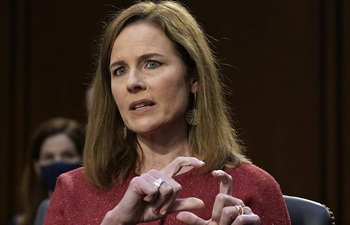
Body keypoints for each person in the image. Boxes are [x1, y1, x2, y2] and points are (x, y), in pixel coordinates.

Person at [44, 1, 291, 224]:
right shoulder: (73, 190)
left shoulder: (252, 188)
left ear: (193, 77)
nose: (132, 82)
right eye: (119, 70)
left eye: (152, 64)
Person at [10, 118, 84, 225]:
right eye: (49, 157)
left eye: (68, 155)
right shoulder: (19, 222)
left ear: (83, 161)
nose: (58, 163)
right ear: (37, 166)